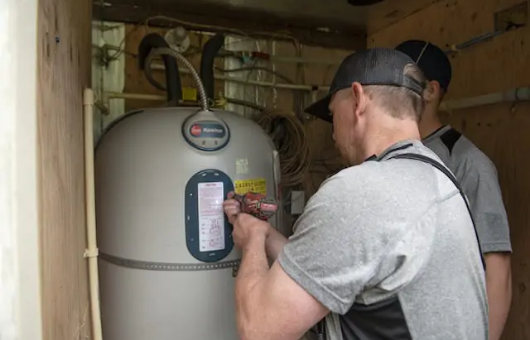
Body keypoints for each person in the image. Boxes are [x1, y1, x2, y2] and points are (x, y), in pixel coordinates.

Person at [223, 47, 488, 340]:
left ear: (358, 98)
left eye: (333, 113)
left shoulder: (359, 190)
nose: (334, 134)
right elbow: (331, 266)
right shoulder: (438, 177)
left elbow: (259, 328)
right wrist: (268, 234)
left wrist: (252, 242)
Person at [395, 39, 512, 340]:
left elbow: (497, 266)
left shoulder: (468, 163)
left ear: (431, 91)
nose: (390, 88)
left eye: (401, 79)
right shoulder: (390, 155)